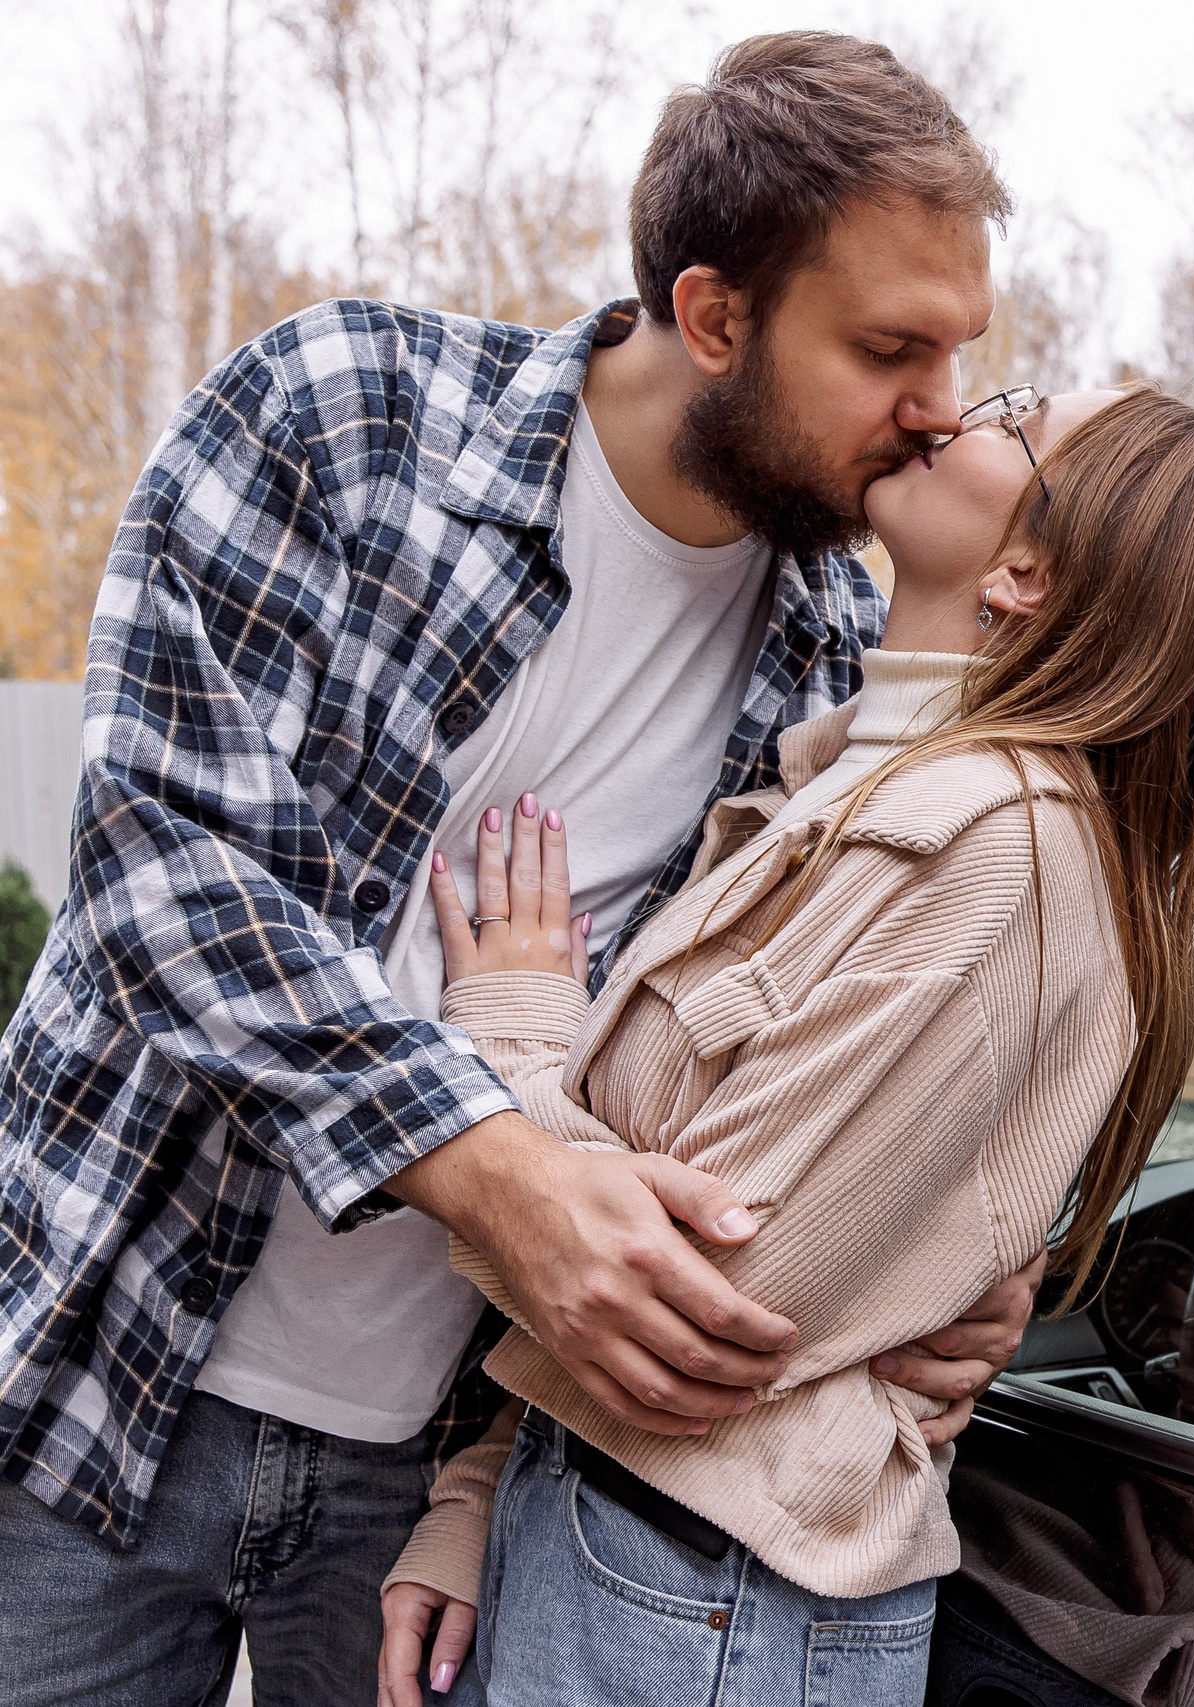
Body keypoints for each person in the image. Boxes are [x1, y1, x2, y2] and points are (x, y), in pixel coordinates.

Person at [0, 33, 1050, 1705]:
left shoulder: (837, 651)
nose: (939, 407)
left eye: (958, 351)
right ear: (713, 316)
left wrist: (965, 1260)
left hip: (432, 1474)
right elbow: (164, 872)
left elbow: (829, 1058)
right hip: (102, 1382)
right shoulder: (342, 417)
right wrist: (493, 1168)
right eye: (887, 349)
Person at [374, 383, 1194, 1704]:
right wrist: (481, 1493)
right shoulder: (858, 783)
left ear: (1028, 571)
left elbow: (703, 1296)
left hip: (699, 1596)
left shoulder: (998, 851)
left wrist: (517, 1021)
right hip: (636, 1545)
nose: (958, 407)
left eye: (1020, 413)